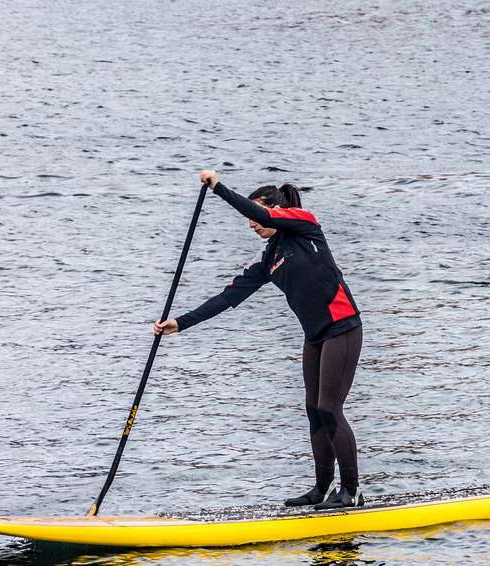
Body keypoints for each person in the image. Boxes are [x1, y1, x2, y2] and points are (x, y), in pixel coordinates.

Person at [153, 169, 365, 509]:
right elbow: (227, 297)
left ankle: (352, 492)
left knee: (329, 407)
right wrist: (179, 323)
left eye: (256, 215)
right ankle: (322, 488)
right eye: (249, 218)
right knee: (314, 410)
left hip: (343, 328)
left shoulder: (304, 223)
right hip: (315, 337)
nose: (251, 225)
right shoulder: (269, 258)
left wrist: (218, 187)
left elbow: (262, 214)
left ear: (276, 210)